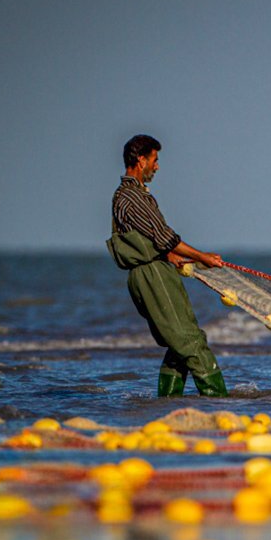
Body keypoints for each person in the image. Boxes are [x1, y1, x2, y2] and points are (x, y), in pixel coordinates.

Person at [107, 134, 228, 397]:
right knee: (190, 341)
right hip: (152, 276)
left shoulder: (132, 194)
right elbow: (165, 237)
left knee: (178, 342)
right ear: (140, 160)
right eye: (155, 160)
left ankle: (168, 404)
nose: (157, 166)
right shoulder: (131, 197)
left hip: (154, 270)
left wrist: (172, 257)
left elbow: (149, 240)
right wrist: (202, 256)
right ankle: (220, 403)